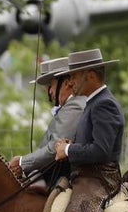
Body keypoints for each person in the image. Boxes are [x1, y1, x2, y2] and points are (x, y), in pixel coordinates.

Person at [52, 48, 125, 212]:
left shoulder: (104, 103)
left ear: (91, 75)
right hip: (86, 175)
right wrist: (72, 145)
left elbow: (103, 150)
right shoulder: (93, 103)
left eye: (74, 76)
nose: (70, 82)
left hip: (99, 178)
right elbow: (92, 143)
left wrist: (68, 151)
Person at [8, 56, 85, 189]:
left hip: (65, 178)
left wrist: (22, 162)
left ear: (66, 83)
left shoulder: (75, 106)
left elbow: (54, 147)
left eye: (51, 85)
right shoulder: (69, 106)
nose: (49, 92)